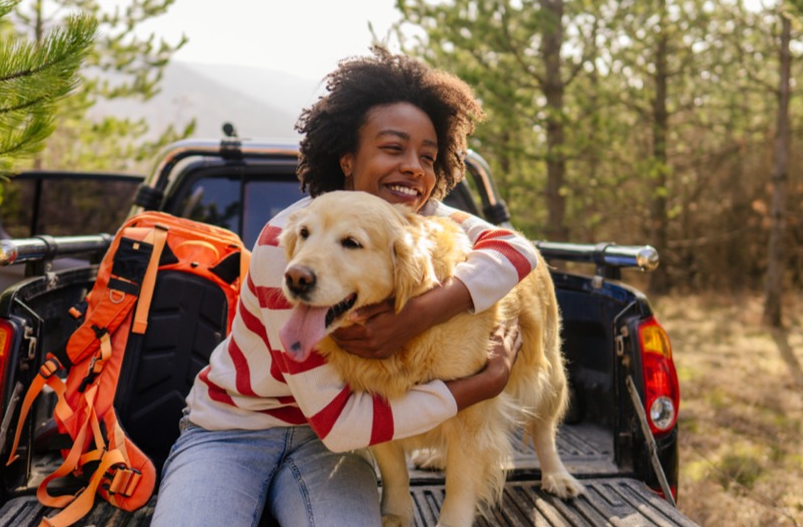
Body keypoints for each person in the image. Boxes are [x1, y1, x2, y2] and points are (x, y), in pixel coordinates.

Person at [152, 47, 537, 526]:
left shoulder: (418, 221)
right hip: (235, 428)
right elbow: (341, 423)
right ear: (348, 159)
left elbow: (519, 251)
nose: (414, 167)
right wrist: (480, 386)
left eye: (428, 156)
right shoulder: (289, 241)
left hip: (335, 448)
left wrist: (424, 311)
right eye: (393, 148)